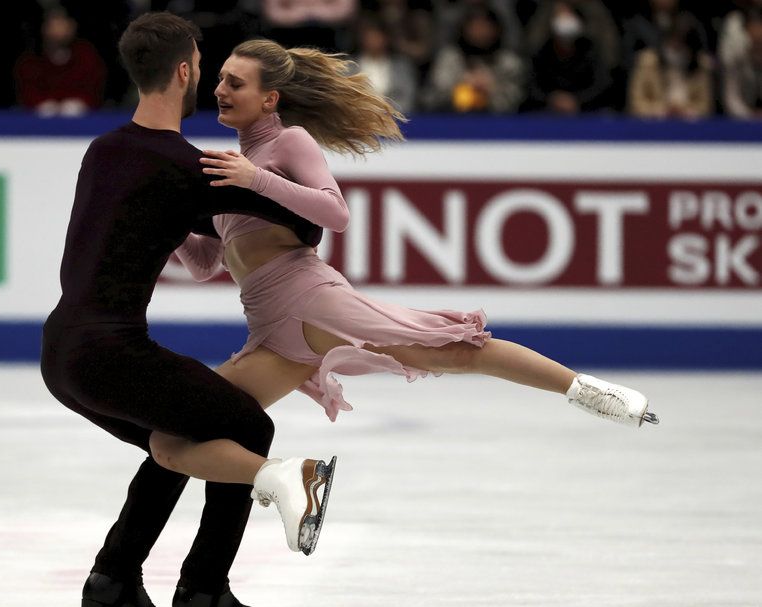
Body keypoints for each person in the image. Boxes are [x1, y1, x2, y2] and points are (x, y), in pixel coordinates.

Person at [163, 38, 658, 438]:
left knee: (457, 351)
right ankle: (291, 482)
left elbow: (335, 214)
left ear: (269, 98)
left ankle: (587, 390)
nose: (220, 89)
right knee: (196, 426)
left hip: (310, 301)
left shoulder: (287, 143)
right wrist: (166, 219)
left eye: (235, 82)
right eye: (222, 78)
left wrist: (256, 180)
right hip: (270, 327)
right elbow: (208, 263)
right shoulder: (229, 168)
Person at [39, 12, 338, 607]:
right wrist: (259, 175)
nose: (206, 74)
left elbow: (174, 242)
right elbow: (310, 224)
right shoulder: (190, 167)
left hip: (60, 353)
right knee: (245, 425)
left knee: (178, 436)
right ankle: (206, 590)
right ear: (183, 71)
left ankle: (114, 581)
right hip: (110, 353)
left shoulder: (105, 148)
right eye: (202, 64)